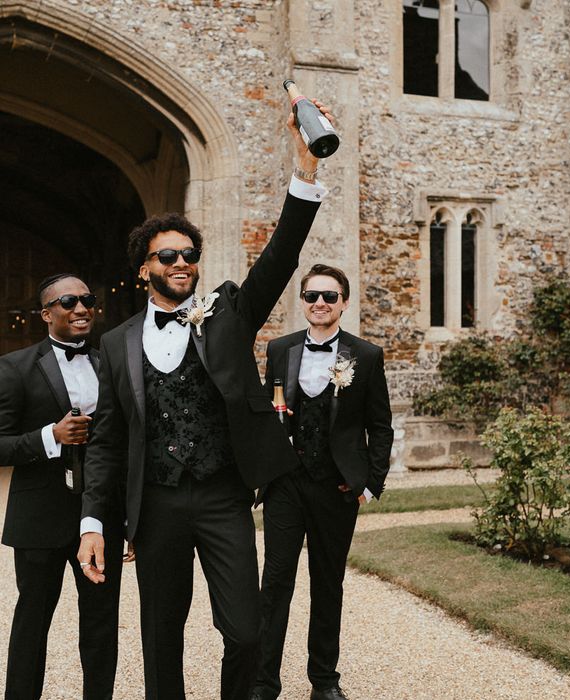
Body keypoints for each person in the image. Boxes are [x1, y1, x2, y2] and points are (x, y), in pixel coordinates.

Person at [77, 102, 330, 700]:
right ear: (145, 270)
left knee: (245, 632)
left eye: (189, 255)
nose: (182, 264)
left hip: (222, 496)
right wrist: (93, 521)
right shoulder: (114, 346)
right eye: (168, 256)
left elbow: (281, 257)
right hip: (156, 504)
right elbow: (108, 440)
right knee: (162, 639)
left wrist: (305, 166)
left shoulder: (227, 315)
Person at [251, 264, 394, 700]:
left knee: (328, 583)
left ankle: (324, 682)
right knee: (275, 584)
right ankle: (263, 683)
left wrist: (369, 482)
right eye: (312, 295)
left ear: (344, 303)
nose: (320, 303)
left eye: (329, 297)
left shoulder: (365, 356)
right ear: (303, 301)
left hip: (336, 487)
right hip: (286, 485)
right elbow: (266, 411)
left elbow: (380, 425)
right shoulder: (280, 349)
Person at [0, 274, 125, 700]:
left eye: (87, 300)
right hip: (39, 516)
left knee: (101, 623)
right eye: (68, 301)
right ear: (46, 314)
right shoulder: (15, 367)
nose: (80, 308)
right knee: (32, 622)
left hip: (101, 514)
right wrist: (50, 436)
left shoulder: (111, 362)